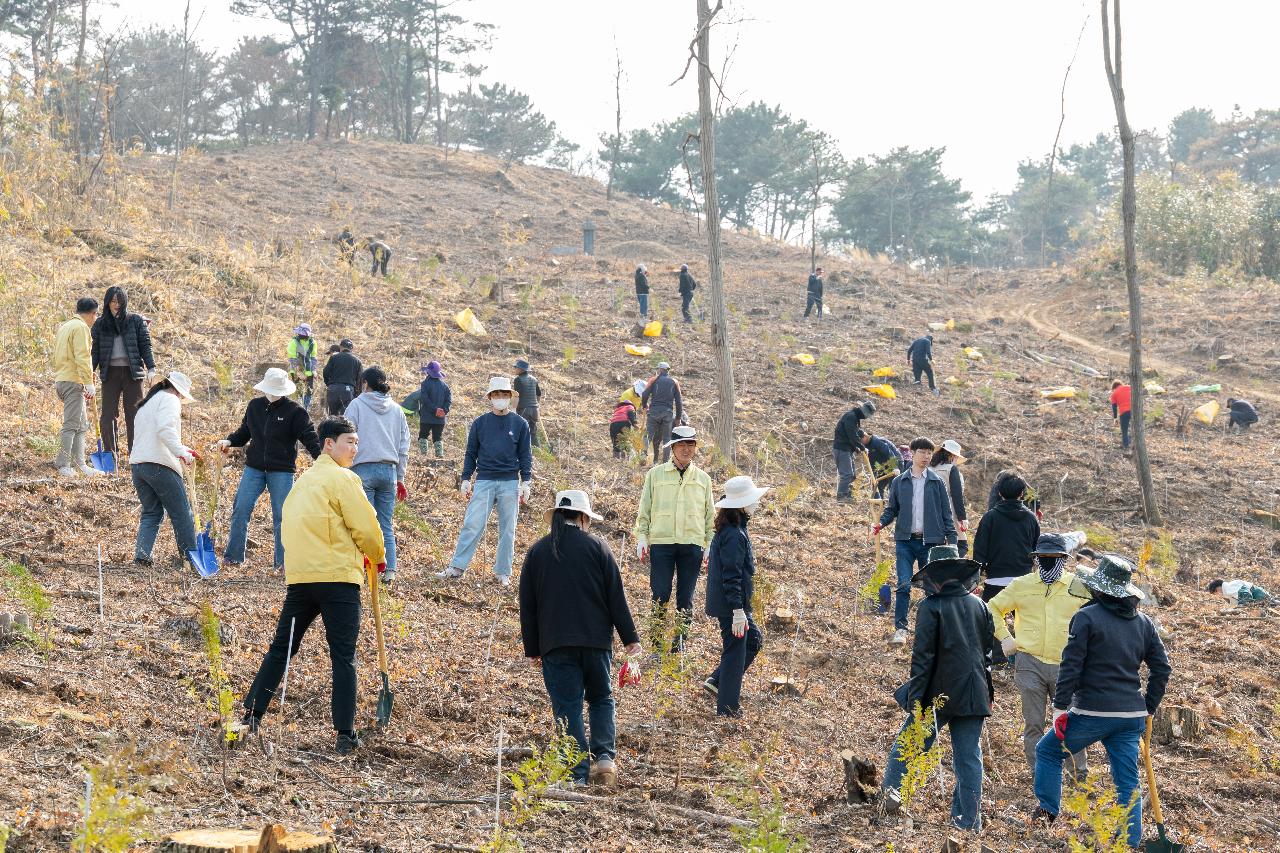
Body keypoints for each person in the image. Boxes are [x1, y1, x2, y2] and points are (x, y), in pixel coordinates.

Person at [240, 416, 386, 756]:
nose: (354, 447)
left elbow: (288, 529)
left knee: (281, 649)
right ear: (328, 444)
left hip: (302, 581)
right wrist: (376, 555)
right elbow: (365, 526)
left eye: (356, 441)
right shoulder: (344, 479)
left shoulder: (301, 484)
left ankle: (252, 714)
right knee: (343, 657)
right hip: (337, 580)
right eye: (349, 441)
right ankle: (345, 734)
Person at [1032, 555, 1172, 850]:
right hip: (1130, 715)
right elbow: (1162, 668)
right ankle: (1129, 842)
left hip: (1092, 711)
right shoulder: (1144, 623)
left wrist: (1059, 707)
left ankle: (1046, 812)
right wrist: (1148, 706)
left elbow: (1071, 666)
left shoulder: (1087, 617)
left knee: (1046, 751)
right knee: (1127, 783)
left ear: (1098, 589)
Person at [519, 490, 642, 787]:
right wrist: (630, 638)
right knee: (601, 697)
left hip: (555, 644)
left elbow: (528, 605)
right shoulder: (599, 548)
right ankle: (604, 761)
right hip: (596, 642)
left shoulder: (537, 553)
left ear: (558, 516)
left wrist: (533, 648)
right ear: (584, 517)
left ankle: (575, 773)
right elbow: (616, 598)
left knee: (568, 706)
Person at [881, 545, 993, 831]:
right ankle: (968, 822)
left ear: (935, 576)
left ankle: (890, 798)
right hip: (974, 692)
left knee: (907, 746)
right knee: (969, 759)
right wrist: (988, 693)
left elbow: (922, 661)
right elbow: (986, 653)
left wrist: (916, 703)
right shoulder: (979, 605)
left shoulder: (930, 607)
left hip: (938, 695)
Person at [986, 534, 1088, 776]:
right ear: (1036, 559)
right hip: (1029, 661)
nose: (1049, 563)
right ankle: (1039, 772)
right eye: (1044, 558)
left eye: (1055, 559)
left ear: (1064, 559)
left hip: (1067, 666)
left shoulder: (1077, 586)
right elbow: (992, 608)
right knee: (1033, 722)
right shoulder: (1022, 585)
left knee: (1069, 723)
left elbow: (1096, 615)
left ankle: (1078, 774)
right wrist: (1005, 637)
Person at [219, 368, 322, 571]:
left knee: (283, 516)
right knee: (240, 509)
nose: (273, 393)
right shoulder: (255, 406)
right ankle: (233, 557)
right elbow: (244, 432)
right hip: (254, 468)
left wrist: (322, 459)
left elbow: (309, 437)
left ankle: (283, 562)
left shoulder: (296, 411)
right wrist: (229, 440)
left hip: (282, 470)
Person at [437, 377, 533, 587]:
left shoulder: (520, 424)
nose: (500, 398)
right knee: (473, 524)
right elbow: (471, 452)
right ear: (490, 397)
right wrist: (465, 478)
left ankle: (503, 572)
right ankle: (457, 567)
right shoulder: (480, 423)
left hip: (509, 481)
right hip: (485, 479)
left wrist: (526, 481)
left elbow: (525, 454)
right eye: (496, 395)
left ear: (510, 397)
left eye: (504, 395)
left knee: (508, 529)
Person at [634, 425, 716, 653]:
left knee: (686, 597)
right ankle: (657, 643)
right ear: (673, 447)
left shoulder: (703, 479)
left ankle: (679, 645)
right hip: (662, 543)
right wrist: (642, 535)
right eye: (682, 444)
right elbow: (645, 509)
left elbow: (710, 515)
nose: (686, 449)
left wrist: (710, 544)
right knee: (660, 593)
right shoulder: (655, 475)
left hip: (692, 544)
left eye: (691, 444)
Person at [873, 437, 957, 645]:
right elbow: (892, 509)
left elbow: (946, 513)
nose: (927, 456)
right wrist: (881, 524)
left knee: (931, 587)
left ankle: (931, 629)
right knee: (903, 584)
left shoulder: (937, 483)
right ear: (911, 453)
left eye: (930, 453)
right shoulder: (899, 482)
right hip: (905, 541)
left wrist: (952, 539)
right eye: (922, 452)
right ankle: (900, 629)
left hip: (930, 542)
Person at [702, 476, 769, 717]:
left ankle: (717, 681)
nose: (757, 504)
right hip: (732, 605)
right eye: (753, 500)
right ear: (741, 504)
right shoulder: (733, 535)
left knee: (752, 641)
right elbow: (731, 576)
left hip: (734, 604)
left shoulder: (737, 529)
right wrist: (737, 611)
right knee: (735, 651)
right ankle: (728, 708)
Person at [344, 366, 410, 585]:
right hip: (389, 471)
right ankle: (389, 570)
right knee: (385, 523)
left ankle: (365, 568)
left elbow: (346, 435)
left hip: (363, 468)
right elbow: (404, 446)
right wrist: (400, 476)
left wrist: (344, 466)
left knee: (364, 523)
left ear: (365, 383)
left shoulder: (357, 404)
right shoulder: (397, 410)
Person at [129, 372, 198, 568]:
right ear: (178, 391)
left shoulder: (149, 402)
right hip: (159, 464)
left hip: (138, 465)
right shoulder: (170, 399)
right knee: (182, 513)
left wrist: (183, 449)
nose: (181, 399)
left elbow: (155, 434)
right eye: (182, 396)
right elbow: (165, 430)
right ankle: (190, 559)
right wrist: (180, 453)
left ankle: (142, 556)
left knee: (151, 512)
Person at [92, 285, 156, 454]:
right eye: (113, 301)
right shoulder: (100, 324)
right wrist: (90, 371)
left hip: (132, 373)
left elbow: (145, 346)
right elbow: (96, 350)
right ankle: (110, 454)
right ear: (107, 303)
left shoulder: (135, 321)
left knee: (135, 415)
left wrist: (151, 368)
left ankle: (135, 454)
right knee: (108, 416)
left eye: (120, 301)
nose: (116, 304)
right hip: (110, 373)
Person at [53, 296, 100, 477]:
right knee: (72, 424)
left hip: (63, 379)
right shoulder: (81, 328)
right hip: (73, 381)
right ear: (91, 314)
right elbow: (82, 356)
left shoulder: (65, 326)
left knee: (81, 425)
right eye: (95, 316)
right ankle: (64, 464)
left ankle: (80, 464)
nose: (95, 320)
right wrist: (88, 382)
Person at [930, 440, 970, 556]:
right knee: (961, 546)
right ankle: (952, 571)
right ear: (952, 455)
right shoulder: (951, 469)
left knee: (937, 548)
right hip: (950, 511)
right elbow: (957, 496)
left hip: (930, 513)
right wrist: (962, 518)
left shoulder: (928, 469)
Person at [832, 400, 876, 503]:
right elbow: (852, 436)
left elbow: (854, 433)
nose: (866, 418)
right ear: (863, 412)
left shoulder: (854, 418)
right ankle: (841, 497)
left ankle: (847, 495)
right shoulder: (851, 417)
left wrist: (858, 446)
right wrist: (862, 447)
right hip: (841, 449)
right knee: (847, 474)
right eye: (866, 415)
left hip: (846, 449)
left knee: (852, 475)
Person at [641, 363, 684, 464]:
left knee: (648, 435)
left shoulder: (653, 380)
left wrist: (644, 405)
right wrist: (678, 418)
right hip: (667, 413)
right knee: (667, 439)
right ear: (667, 371)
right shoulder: (674, 382)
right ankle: (665, 463)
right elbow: (678, 402)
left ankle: (643, 455)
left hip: (653, 412)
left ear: (660, 370)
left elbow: (644, 394)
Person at [416, 361, 452, 457]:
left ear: (428, 372)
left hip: (426, 417)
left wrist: (435, 409)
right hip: (440, 418)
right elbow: (448, 401)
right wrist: (443, 411)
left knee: (423, 435)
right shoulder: (445, 386)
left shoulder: (425, 384)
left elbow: (425, 400)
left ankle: (423, 456)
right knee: (437, 437)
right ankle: (439, 456)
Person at [322, 339, 362, 416]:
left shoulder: (334, 357)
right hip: (348, 391)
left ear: (340, 347)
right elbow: (360, 380)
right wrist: (357, 394)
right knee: (344, 418)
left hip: (333, 389)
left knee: (332, 417)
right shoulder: (357, 361)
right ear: (351, 349)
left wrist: (328, 384)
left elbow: (325, 372)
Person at [860, 430, 905, 498]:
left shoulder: (877, 441)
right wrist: (874, 474)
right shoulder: (866, 446)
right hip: (883, 465)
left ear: (865, 436)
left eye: (861, 440)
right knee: (876, 485)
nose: (860, 442)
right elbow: (872, 462)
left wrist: (895, 467)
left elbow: (889, 453)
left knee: (893, 485)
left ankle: (895, 506)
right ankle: (878, 504)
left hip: (895, 461)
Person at [513, 359, 544, 447]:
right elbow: (539, 394)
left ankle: (523, 451)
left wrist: (513, 409)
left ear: (521, 369)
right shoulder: (534, 379)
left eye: (516, 367)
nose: (515, 369)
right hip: (534, 410)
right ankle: (537, 450)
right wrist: (537, 405)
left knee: (521, 431)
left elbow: (516, 396)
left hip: (524, 409)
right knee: (533, 432)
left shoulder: (518, 380)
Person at [286, 323, 318, 411]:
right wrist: (299, 372)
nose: (300, 335)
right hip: (296, 371)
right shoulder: (294, 342)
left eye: (303, 334)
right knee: (298, 391)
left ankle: (306, 409)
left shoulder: (313, 343)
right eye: (300, 333)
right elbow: (292, 358)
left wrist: (314, 369)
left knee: (309, 391)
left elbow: (313, 357)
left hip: (309, 371)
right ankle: (298, 409)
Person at [1207, 577, 1273, 605]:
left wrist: (1243, 604)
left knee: (1273, 603)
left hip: (1259, 595)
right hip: (1258, 598)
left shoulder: (1230, 587)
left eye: (1216, 590)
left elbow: (1246, 594)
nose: (1217, 593)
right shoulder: (1228, 592)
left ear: (1219, 586)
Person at [1109, 380, 1132, 452]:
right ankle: (1133, 443)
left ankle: (1126, 447)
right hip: (1134, 411)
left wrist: (1115, 418)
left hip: (1124, 412)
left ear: (1114, 388)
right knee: (1134, 429)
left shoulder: (1114, 394)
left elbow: (1114, 407)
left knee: (1124, 431)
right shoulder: (1130, 387)